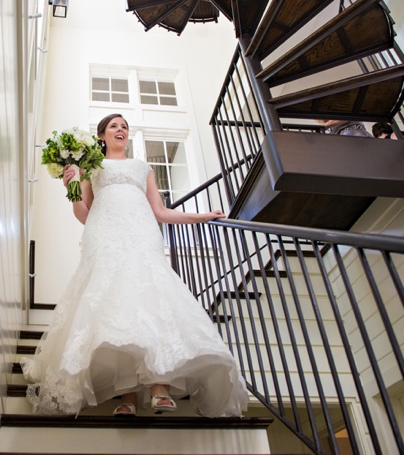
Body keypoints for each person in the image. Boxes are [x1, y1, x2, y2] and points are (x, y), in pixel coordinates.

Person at [21, 114, 248, 418]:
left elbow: (160, 211)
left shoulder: (143, 168)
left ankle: (159, 387)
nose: (121, 129)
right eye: (114, 126)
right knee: (117, 308)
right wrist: (72, 185)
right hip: (104, 234)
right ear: (101, 135)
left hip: (141, 233)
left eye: (124, 126)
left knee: (148, 300)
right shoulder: (92, 168)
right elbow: (83, 214)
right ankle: (126, 396)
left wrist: (201, 216)